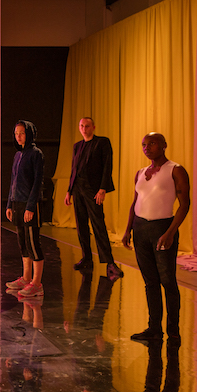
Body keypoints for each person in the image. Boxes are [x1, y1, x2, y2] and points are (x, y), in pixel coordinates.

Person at [122, 132, 190, 344]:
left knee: (168, 280)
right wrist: (127, 230)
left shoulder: (175, 170)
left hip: (162, 228)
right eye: (143, 144)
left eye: (152, 143)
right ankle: (154, 328)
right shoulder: (141, 173)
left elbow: (185, 204)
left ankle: (173, 330)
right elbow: (135, 202)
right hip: (140, 229)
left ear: (164, 145)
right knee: (150, 281)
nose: (147, 147)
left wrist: (170, 232)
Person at [65, 117, 124, 280]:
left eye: (87, 126)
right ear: (79, 128)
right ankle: (87, 258)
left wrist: (103, 189)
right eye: (82, 126)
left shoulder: (102, 143)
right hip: (78, 189)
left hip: (93, 190)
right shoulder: (77, 146)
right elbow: (74, 169)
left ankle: (110, 263)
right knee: (81, 225)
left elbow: (107, 166)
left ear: (93, 127)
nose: (84, 128)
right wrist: (69, 191)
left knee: (98, 225)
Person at [5, 120, 45, 299]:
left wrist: (30, 206)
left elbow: (37, 182)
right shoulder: (17, 155)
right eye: (16, 133)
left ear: (29, 133)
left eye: (21, 133)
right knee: (22, 242)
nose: (18, 136)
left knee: (33, 243)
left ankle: (36, 283)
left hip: (30, 204)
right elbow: (13, 181)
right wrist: (9, 204)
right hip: (17, 204)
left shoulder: (36, 154)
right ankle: (26, 278)